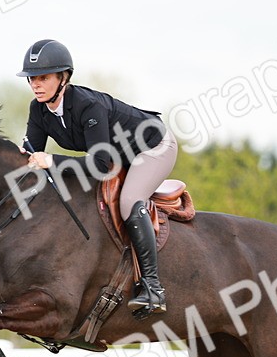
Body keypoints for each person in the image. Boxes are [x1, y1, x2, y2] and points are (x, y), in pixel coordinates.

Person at [18, 38, 176, 315]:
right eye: (31, 79)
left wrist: (51, 160)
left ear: (63, 78)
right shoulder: (39, 109)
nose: (35, 85)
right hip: (117, 155)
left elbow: (101, 165)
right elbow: (30, 155)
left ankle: (153, 288)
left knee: (129, 201)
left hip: (153, 146)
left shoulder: (88, 106)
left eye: (43, 78)